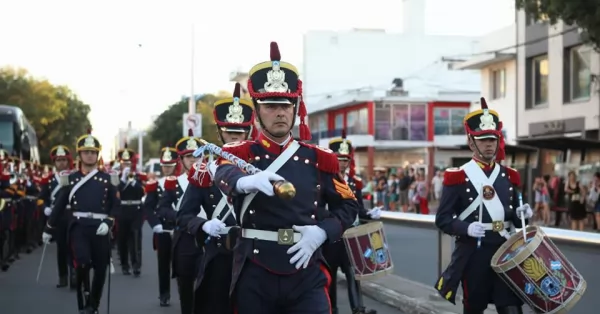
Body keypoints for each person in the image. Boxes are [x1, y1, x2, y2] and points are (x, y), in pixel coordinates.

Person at [213, 42, 360, 314]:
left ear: (295, 108)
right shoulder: (241, 152)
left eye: (286, 105)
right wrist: (245, 181)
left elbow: (349, 205)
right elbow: (223, 172)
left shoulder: (319, 157)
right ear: (256, 111)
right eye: (270, 106)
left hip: (305, 269)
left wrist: (322, 232)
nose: (280, 112)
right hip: (256, 269)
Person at [433, 98, 533, 314]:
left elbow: (516, 218)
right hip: (475, 252)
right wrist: (465, 228)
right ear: (472, 143)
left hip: (506, 248)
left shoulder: (509, 175)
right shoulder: (458, 176)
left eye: (493, 139)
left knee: (512, 307)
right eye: (483, 140)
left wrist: (523, 214)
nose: (489, 144)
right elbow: (442, 219)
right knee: (474, 307)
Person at [179, 82, 256, 314]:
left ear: (249, 132)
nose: (234, 136)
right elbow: (183, 216)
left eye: (239, 132)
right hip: (219, 256)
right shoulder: (204, 171)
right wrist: (203, 225)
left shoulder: (259, 171)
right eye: (229, 131)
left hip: (255, 259)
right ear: (220, 133)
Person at [42, 129, 120, 314]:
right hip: (78, 226)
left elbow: (116, 206)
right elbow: (60, 205)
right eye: (86, 152)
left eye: (93, 152)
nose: (90, 155)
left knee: (101, 268)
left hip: (100, 227)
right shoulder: (70, 179)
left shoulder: (108, 180)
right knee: (82, 263)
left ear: (97, 155)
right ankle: (83, 299)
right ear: (80, 154)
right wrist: (48, 228)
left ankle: (94, 303)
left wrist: (109, 222)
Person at [323, 132, 381, 314]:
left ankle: (357, 308)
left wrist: (370, 214)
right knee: (330, 276)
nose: (343, 163)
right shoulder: (325, 180)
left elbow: (359, 209)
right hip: (333, 236)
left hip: (351, 236)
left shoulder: (355, 182)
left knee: (353, 274)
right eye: (339, 159)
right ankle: (332, 309)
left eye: (346, 159)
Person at [162, 129, 202, 314]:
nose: (193, 160)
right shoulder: (174, 183)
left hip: (206, 236)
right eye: (188, 157)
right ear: (181, 160)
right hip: (184, 237)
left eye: (197, 156)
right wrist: (179, 217)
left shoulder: (212, 181)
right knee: (185, 285)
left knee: (207, 286)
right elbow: (163, 208)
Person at [144, 144, 179, 306]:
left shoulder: (182, 183)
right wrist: (155, 224)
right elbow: (149, 208)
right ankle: (164, 294)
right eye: (164, 166)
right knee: (163, 264)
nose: (166, 169)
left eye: (170, 166)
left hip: (180, 229)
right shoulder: (155, 185)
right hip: (163, 229)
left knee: (182, 264)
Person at [40, 145, 75, 289]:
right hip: (58, 216)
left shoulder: (74, 177)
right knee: (61, 246)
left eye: (64, 160)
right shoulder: (48, 180)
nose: (61, 163)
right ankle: (62, 276)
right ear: (54, 162)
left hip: (72, 214)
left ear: (68, 161)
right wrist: (45, 207)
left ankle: (74, 273)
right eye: (58, 160)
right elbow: (41, 198)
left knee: (73, 245)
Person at [116, 144, 146, 276]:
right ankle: (124, 265)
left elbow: (142, 193)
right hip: (122, 210)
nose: (126, 165)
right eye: (124, 163)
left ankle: (136, 265)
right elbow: (115, 194)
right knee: (122, 239)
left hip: (135, 210)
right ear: (120, 163)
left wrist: (134, 182)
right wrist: (122, 181)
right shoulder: (116, 177)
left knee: (135, 238)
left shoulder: (139, 176)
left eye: (128, 162)